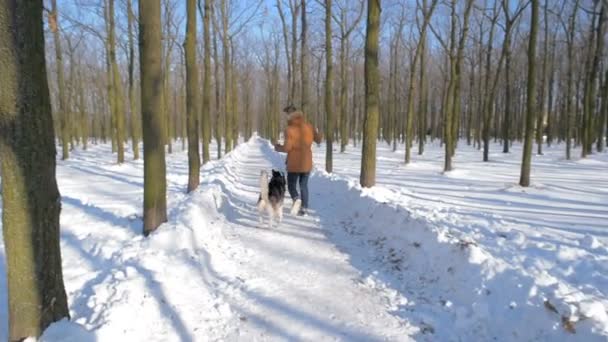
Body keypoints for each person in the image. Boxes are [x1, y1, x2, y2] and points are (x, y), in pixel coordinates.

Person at [274, 105, 322, 216]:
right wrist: (319, 132)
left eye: (286, 115)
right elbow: (319, 140)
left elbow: (287, 148)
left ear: (289, 115)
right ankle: (304, 208)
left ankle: (296, 199)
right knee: (303, 185)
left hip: (294, 164)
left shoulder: (289, 130)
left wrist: (278, 147)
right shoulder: (309, 126)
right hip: (306, 163)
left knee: (291, 185)